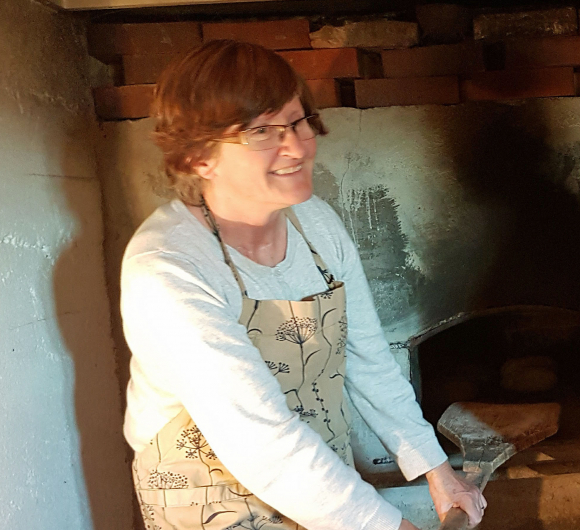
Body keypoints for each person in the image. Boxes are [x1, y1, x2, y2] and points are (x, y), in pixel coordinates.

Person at [121, 40, 485, 530]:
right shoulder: (168, 269)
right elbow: (262, 443)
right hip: (212, 507)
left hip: (320, 489)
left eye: (297, 122)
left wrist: (437, 469)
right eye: (261, 132)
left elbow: (368, 360)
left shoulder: (316, 225)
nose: (296, 147)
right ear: (196, 158)